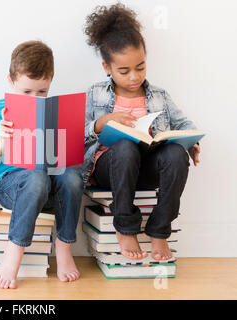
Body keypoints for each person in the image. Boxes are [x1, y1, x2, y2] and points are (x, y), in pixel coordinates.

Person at [82, 3, 201, 261]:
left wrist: (190, 143)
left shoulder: (159, 95)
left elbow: (184, 125)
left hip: (146, 167)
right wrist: (101, 123)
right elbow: (76, 138)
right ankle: (125, 227)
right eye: (124, 71)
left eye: (141, 67)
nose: (134, 77)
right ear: (107, 67)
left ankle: (159, 231)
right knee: (125, 147)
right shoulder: (95, 94)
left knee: (176, 155)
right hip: (111, 169)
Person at [0, 40, 84, 289]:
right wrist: (2, 140)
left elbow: (65, 164)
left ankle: (64, 247)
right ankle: (14, 250)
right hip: (13, 186)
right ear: (11, 80)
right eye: (27, 92)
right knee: (35, 176)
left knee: (71, 176)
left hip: (50, 183)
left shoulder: (54, 110)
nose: (35, 98)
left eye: (42, 92)